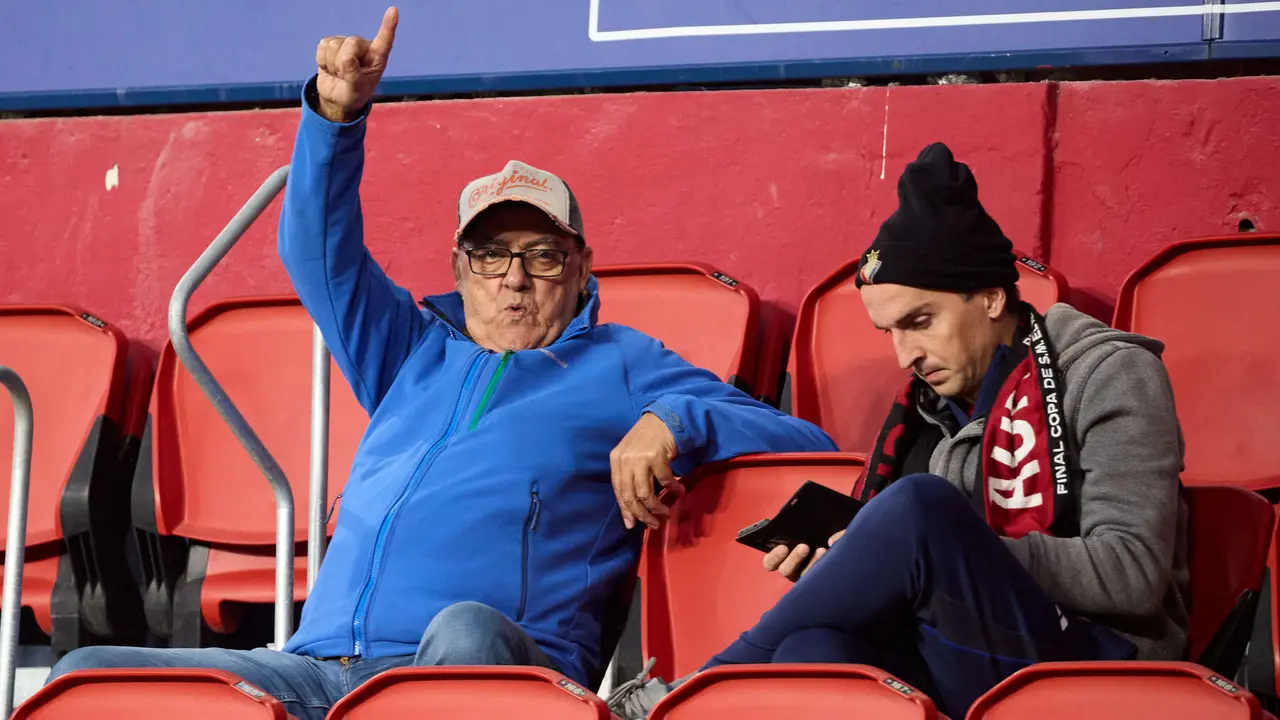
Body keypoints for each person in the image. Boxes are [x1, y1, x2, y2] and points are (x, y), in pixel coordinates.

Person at [46, 8, 836, 719]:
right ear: (459, 271)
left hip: (492, 667)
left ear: (584, 268)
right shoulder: (409, 348)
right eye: (492, 255)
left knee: (459, 631)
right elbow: (317, 254)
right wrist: (335, 117)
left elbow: (799, 443)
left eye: (543, 255)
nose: (515, 277)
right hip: (311, 670)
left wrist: (673, 418)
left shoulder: (624, 363)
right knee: (86, 675)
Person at [608, 142, 1188, 719]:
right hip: (971, 653)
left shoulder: (1110, 371)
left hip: (1096, 663)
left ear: (989, 297)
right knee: (814, 651)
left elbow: (1132, 574)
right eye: (889, 331)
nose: (905, 354)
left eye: (920, 322)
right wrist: (853, 561)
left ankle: (697, 696)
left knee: (921, 506)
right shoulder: (924, 411)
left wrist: (952, 548)